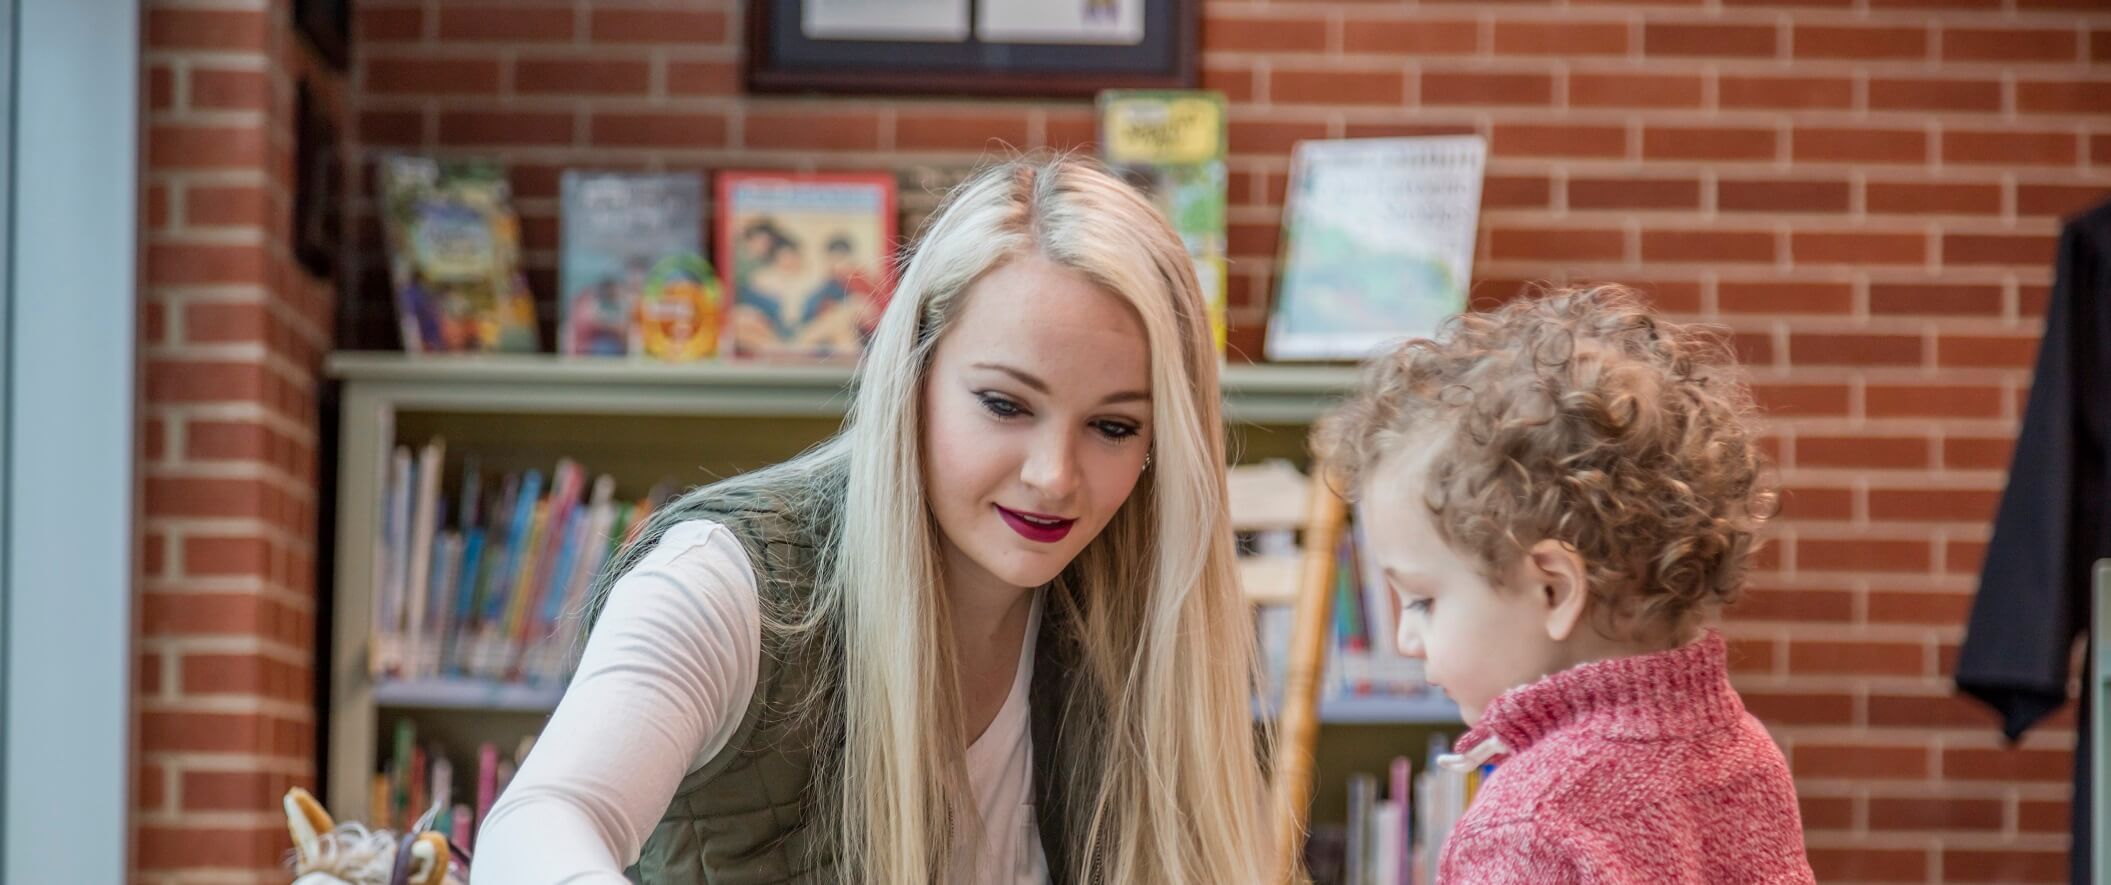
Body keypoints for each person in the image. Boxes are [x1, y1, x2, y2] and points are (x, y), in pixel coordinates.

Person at [472, 154, 1273, 884]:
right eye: (1003, 404)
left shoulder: (1132, 621)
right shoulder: (724, 577)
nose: (1053, 476)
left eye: (1113, 426)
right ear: (913, 377)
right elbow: (536, 825)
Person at [1315, 286, 1815, 883]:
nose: (1405, 639)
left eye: (1424, 600)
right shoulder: (1742, 753)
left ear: (1553, 587)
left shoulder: (1529, 826)